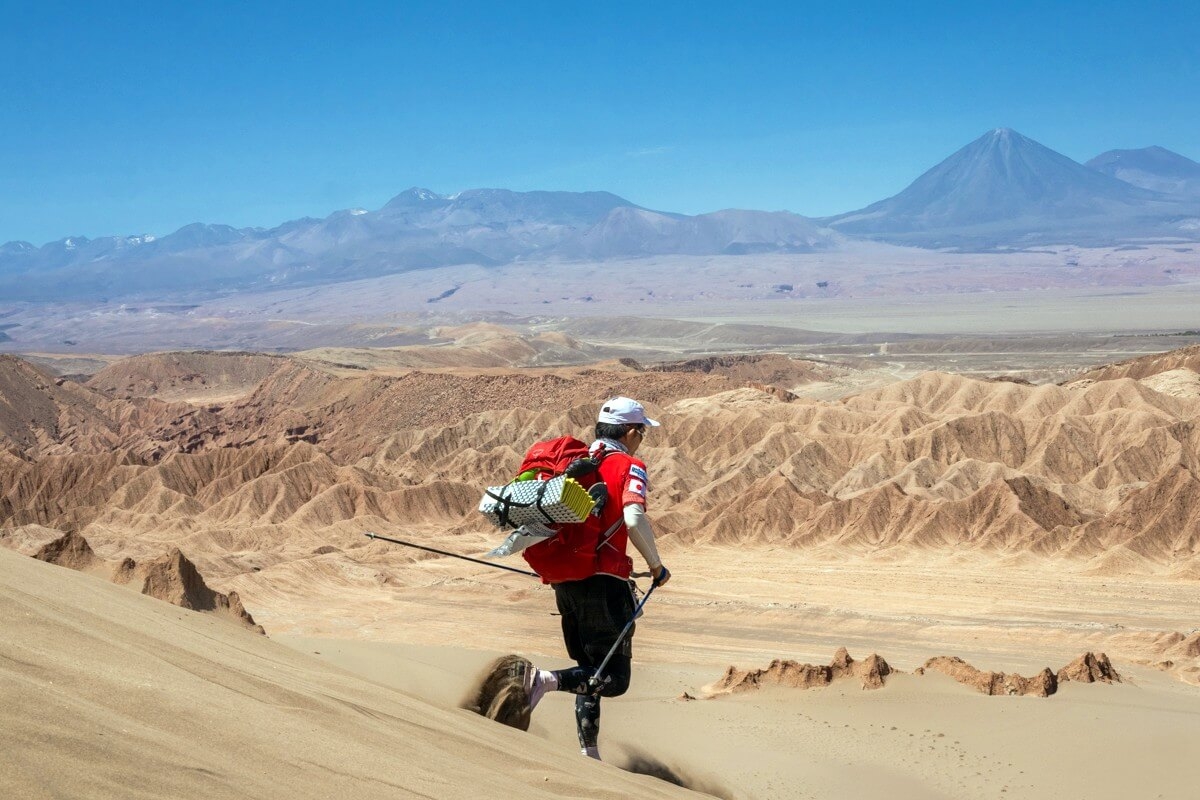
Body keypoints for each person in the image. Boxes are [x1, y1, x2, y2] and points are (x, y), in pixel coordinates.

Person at [520, 396, 671, 760]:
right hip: (603, 582)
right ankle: (542, 680)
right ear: (632, 431)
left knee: (590, 671)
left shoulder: (575, 461)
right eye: (642, 433)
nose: (642, 440)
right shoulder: (629, 465)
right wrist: (655, 565)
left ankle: (589, 754)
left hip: (564, 578)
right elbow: (633, 517)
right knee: (614, 680)